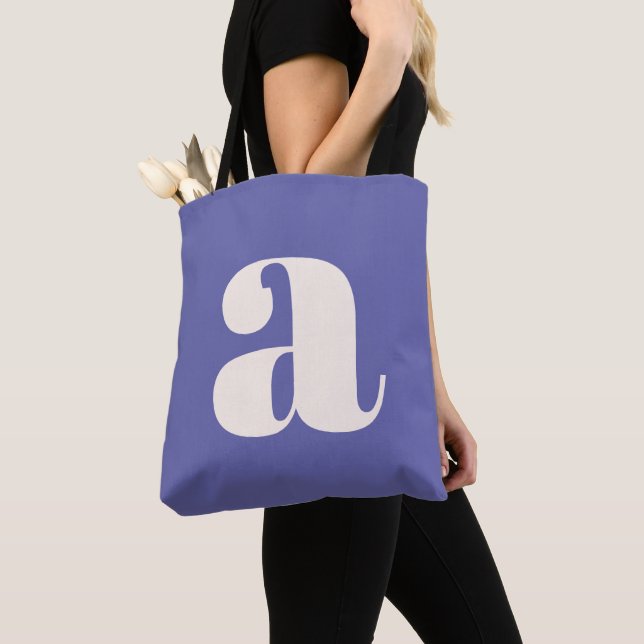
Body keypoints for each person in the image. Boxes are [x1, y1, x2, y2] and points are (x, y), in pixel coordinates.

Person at [222, 1, 524, 642]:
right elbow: (314, 211)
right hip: (331, 391)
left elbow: (393, 212)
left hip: (380, 387)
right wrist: (388, 51)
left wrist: (430, 388)